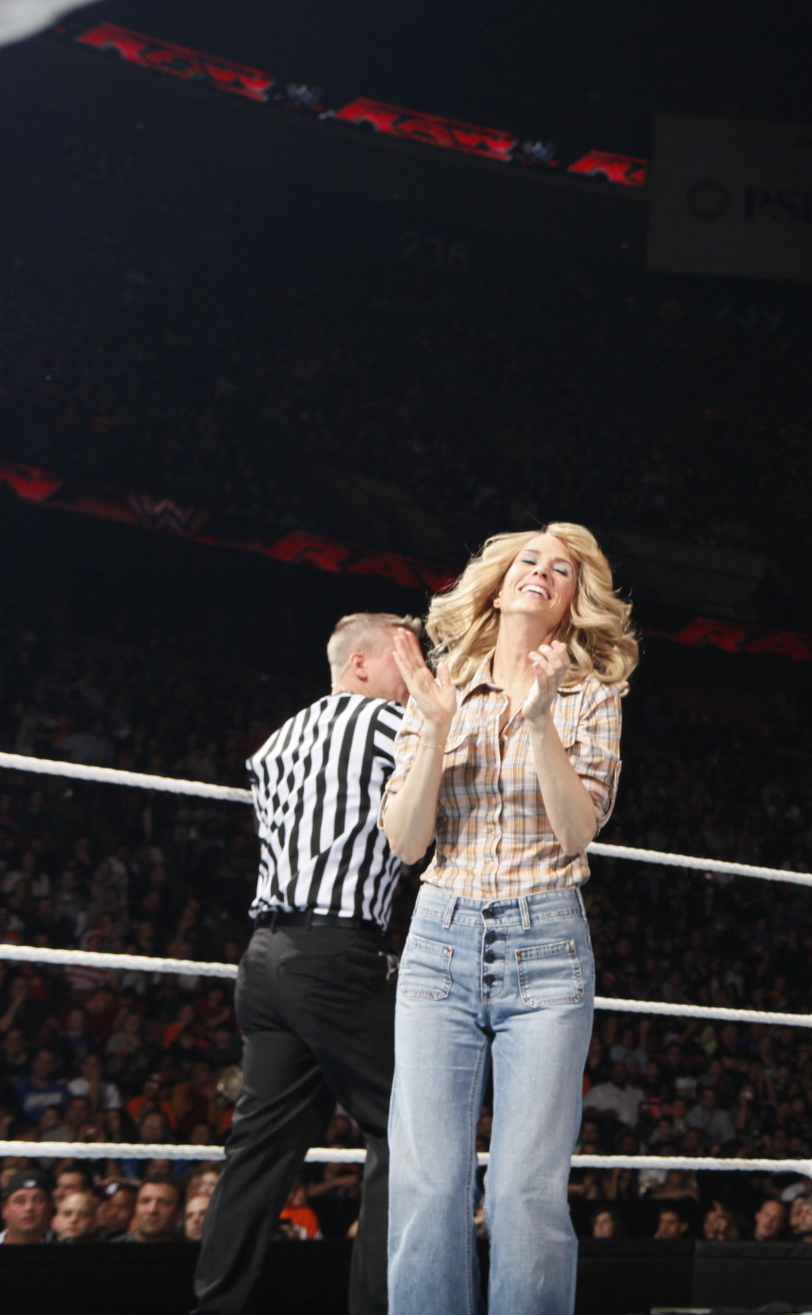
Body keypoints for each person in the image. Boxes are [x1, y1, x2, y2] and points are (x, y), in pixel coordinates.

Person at [381, 523, 637, 1315]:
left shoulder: (590, 694)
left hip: (546, 945)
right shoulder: (441, 682)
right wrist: (432, 727)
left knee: (526, 1186)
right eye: (529, 559)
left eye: (560, 570)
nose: (541, 572)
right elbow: (406, 840)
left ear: (571, 601)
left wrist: (537, 718)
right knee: (427, 1180)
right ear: (497, 580)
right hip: (439, 939)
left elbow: (576, 830)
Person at [193, 613, 421, 1315]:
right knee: (407, 1128)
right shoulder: (387, 726)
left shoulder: (276, 741)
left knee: (259, 1149)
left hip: (264, 960)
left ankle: (216, 1306)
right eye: (405, 660)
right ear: (359, 665)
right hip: (333, 955)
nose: (419, 679)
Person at [2, 1167, 55, 1243]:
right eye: (20, 1201)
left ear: (49, 1207)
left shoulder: (65, 1248)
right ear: (4, 1208)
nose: (29, 1207)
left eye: (38, 1200)